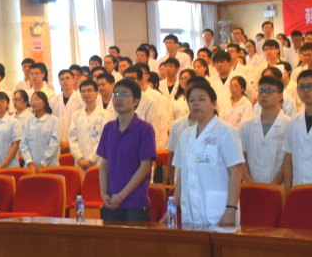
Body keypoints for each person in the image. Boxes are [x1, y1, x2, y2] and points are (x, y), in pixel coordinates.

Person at [172, 79, 244, 227]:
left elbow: (236, 174)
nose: (195, 103)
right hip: (190, 214)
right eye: (191, 100)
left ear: (214, 103)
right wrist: (172, 208)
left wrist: (231, 210)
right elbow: (181, 176)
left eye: (201, 99)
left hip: (218, 212)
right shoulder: (185, 136)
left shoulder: (226, 132)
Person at [94, 79, 157, 222]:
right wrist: (103, 194)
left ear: (136, 101)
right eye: (115, 94)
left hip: (135, 203)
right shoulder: (108, 128)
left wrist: (122, 195)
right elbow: (104, 164)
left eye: (124, 94)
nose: (118, 98)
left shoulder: (145, 129)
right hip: (110, 201)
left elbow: (145, 167)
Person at [239, 74, 291, 186]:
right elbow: (241, 157)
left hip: (279, 188)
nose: (264, 95)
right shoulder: (246, 125)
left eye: (269, 91)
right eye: (261, 91)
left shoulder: (290, 125)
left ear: (280, 96)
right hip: (251, 187)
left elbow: (289, 160)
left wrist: (274, 184)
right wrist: (250, 183)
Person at [67, 78, 110, 171]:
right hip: (80, 163)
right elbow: (72, 138)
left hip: (99, 161)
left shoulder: (105, 115)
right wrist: (79, 158)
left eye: (89, 90)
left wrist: (91, 160)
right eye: (83, 91)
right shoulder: (76, 115)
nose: (86, 94)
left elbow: (104, 140)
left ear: (96, 93)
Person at [20, 91, 62, 168]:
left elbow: (54, 145)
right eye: (32, 100)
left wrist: (43, 164)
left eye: (36, 99)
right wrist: (29, 163)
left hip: (49, 165)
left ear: (45, 102)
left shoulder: (54, 120)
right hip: (31, 167)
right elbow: (23, 144)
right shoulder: (28, 122)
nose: (33, 102)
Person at [0, 92, 21, 169]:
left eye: (2, 101)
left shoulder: (14, 122)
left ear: (8, 104)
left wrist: (3, 165)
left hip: (10, 165)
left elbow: (15, 146)